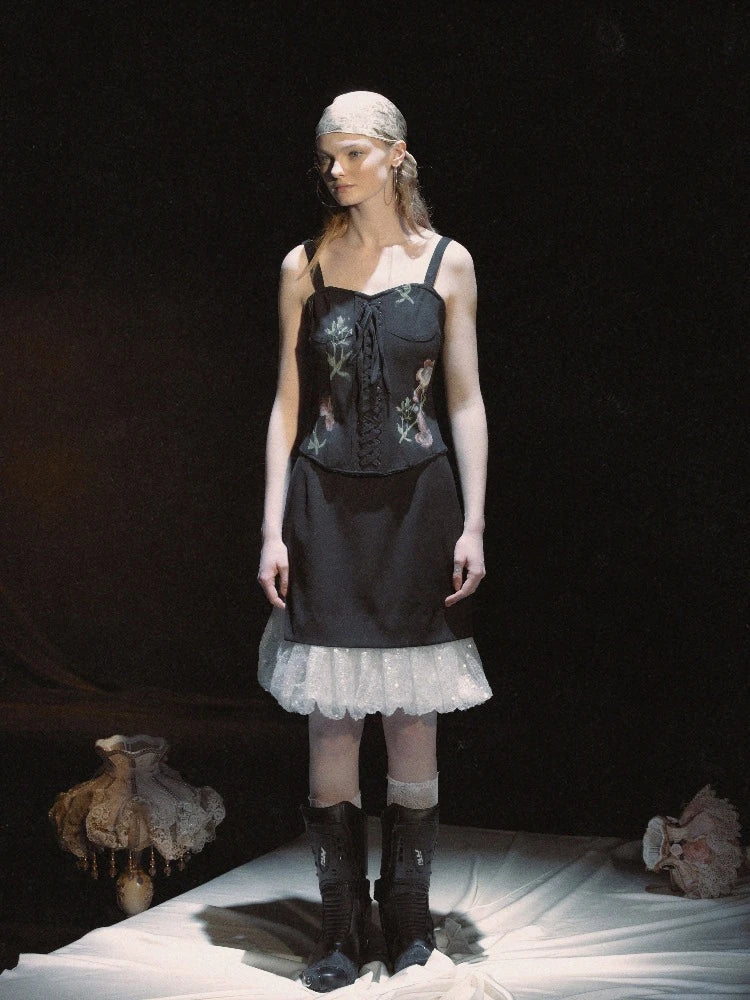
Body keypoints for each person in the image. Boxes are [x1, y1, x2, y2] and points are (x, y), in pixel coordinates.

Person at [257, 91, 492, 993]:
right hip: (323, 504)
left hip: (418, 505)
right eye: (328, 157)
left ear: (396, 154)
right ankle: (339, 927)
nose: (336, 170)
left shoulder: (447, 261)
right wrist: (270, 527)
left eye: (352, 153)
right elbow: (286, 405)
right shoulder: (305, 265)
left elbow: (465, 399)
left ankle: (409, 917)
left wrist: (474, 520)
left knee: (411, 716)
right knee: (331, 718)